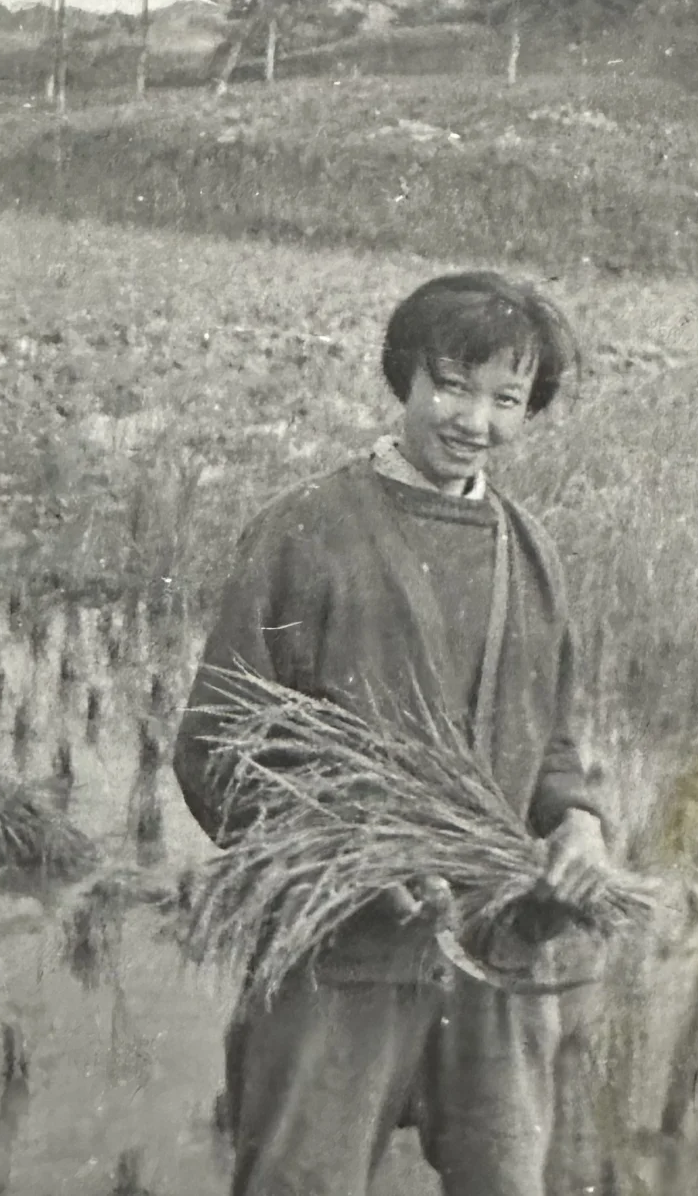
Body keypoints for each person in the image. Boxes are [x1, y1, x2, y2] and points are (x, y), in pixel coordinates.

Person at [173, 270, 612, 1196]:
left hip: (498, 943)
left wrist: (577, 822)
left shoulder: (529, 550)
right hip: (340, 944)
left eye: (507, 398)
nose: (474, 420)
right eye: (451, 384)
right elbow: (217, 747)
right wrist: (358, 852)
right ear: (405, 377)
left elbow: (551, 739)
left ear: (530, 410)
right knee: (301, 1179)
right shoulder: (310, 532)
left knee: (505, 1176)